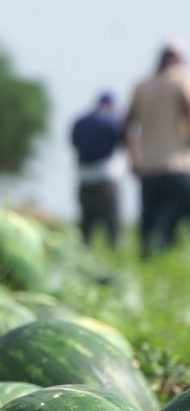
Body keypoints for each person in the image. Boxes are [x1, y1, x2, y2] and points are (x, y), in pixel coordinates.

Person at [125, 41, 190, 258]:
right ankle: (171, 257)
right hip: (177, 166)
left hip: (149, 167)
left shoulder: (141, 86)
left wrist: (134, 158)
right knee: (178, 218)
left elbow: (127, 126)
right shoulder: (181, 81)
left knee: (150, 224)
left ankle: (150, 261)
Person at [70, 92, 125, 248]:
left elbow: (74, 143)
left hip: (84, 179)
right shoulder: (112, 121)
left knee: (86, 227)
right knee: (113, 226)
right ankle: (116, 254)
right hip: (106, 179)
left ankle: (83, 257)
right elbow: (124, 141)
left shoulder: (80, 122)